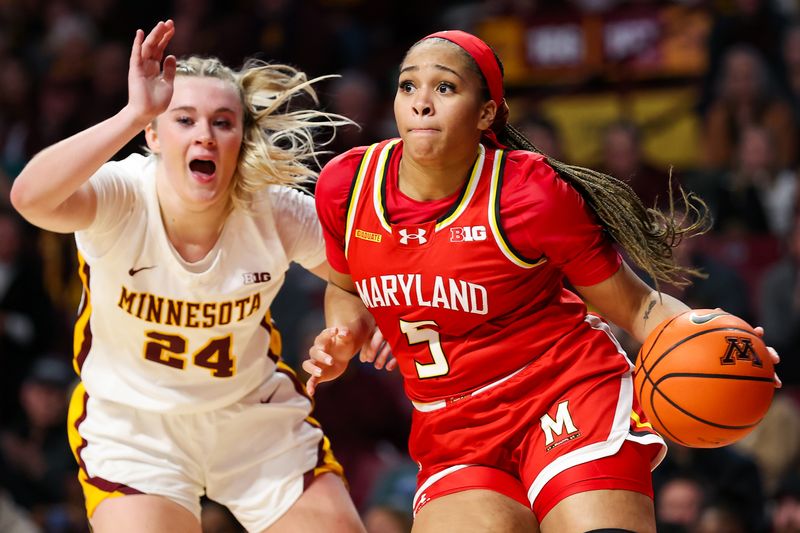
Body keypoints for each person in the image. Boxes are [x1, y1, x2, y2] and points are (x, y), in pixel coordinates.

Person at [303, 29, 781, 532]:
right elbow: (345, 286)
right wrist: (344, 333)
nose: (421, 103)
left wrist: (721, 340)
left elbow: (637, 307)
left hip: (563, 395)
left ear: (486, 112)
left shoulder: (529, 192)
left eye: (445, 88)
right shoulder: (346, 185)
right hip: (453, 428)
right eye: (407, 86)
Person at [10, 20, 367, 533]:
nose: (205, 133)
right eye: (184, 119)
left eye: (223, 121)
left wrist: (347, 332)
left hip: (252, 418)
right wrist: (133, 112)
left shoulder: (276, 210)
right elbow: (29, 198)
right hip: (135, 427)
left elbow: (353, 279)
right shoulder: (121, 194)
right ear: (153, 134)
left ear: (240, 138)